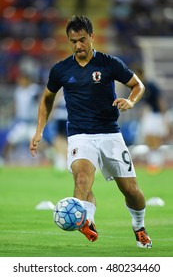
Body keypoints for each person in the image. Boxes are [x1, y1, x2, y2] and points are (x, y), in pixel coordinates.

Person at [30, 16, 152, 248]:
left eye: (82, 40)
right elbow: (47, 97)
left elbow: (138, 85)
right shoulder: (61, 69)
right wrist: (39, 131)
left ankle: (139, 227)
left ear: (92, 37)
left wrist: (131, 101)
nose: (78, 46)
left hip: (110, 134)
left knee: (131, 190)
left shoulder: (109, 63)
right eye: (73, 41)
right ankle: (88, 222)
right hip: (80, 135)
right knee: (82, 179)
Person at [134, 67, 170, 172]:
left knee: (155, 138)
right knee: (148, 138)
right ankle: (153, 161)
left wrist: (164, 116)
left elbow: (160, 100)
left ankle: (157, 162)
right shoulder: (140, 86)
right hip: (149, 115)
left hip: (156, 114)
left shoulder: (150, 85)